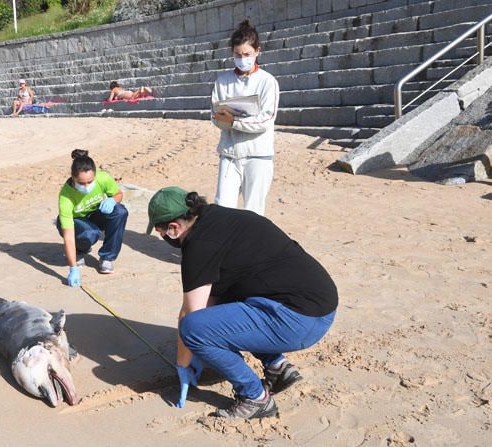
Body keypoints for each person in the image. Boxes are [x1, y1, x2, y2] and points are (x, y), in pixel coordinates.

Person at [146, 187, 338, 419]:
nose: (161, 236)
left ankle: (255, 397)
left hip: (299, 322)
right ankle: (278, 367)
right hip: (321, 305)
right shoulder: (223, 218)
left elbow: (190, 314)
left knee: (193, 329)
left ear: (174, 228)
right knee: (225, 296)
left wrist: (182, 364)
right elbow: (212, 299)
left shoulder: (199, 246)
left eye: (160, 230)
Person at [211, 19, 279, 216]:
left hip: (258, 155)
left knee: (254, 211)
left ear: (258, 51)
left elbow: (266, 120)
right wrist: (222, 119)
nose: (242, 59)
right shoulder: (222, 81)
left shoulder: (268, 82)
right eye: (237, 55)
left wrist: (234, 121)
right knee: (222, 207)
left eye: (247, 54)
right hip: (230, 154)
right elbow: (215, 116)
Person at [57, 150, 128, 286]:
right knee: (90, 234)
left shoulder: (103, 178)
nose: (86, 186)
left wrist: (112, 200)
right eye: (81, 183)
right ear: (73, 178)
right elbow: (69, 236)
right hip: (77, 222)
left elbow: (118, 194)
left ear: (95, 175)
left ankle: (107, 257)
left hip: (96, 214)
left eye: (90, 182)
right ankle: (80, 250)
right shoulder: (65, 197)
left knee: (120, 212)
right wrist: (73, 268)